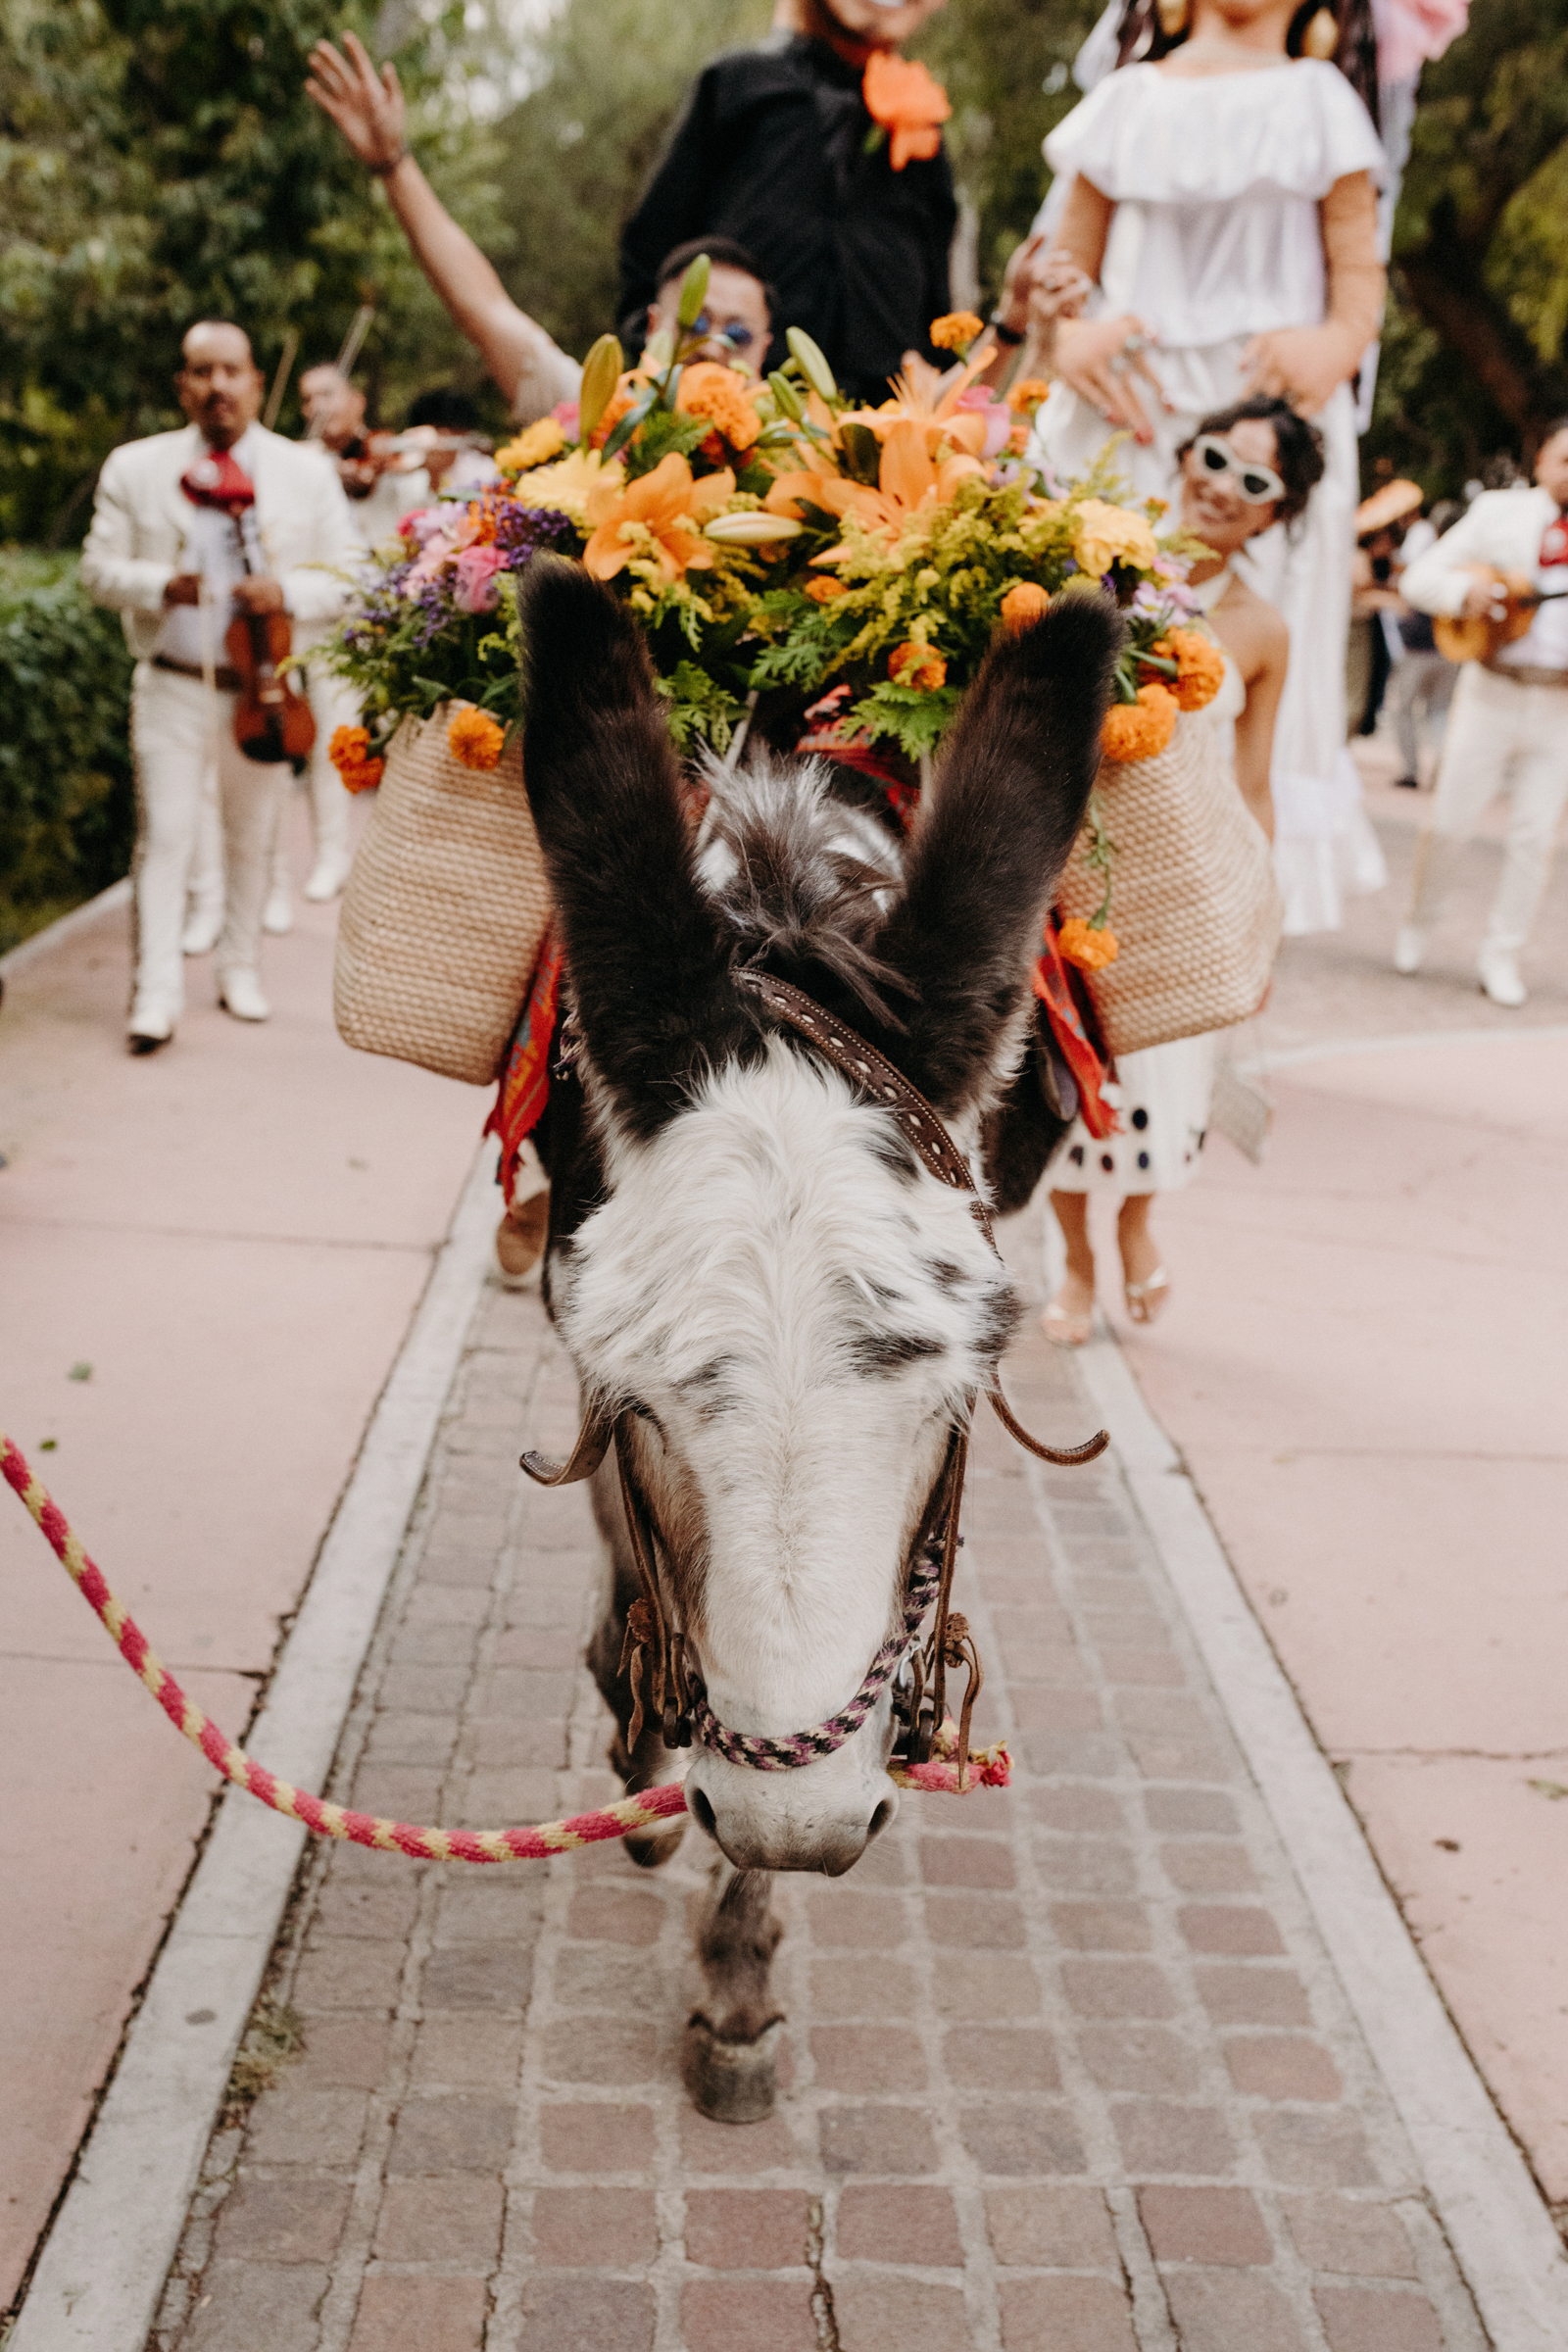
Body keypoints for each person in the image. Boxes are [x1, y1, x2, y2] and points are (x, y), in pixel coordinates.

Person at [1020, 0, 1390, 938]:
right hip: (1130, 409)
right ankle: (1055, 875)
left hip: (1267, 422)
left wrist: (1331, 347)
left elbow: (1359, 285)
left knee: (1243, 663)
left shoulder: (1320, 97)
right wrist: (1074, 334)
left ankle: (1222, 917)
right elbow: (1066, 271)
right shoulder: (1130, 96)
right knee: (1083, 624)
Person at [1043, 395, 1318, 1345]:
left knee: (1163, 1086)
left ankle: (1135, 1229)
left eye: (1254, 480)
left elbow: (1254, 783)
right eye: (1213, 457)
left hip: (1183, 890)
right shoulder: (1098, 560)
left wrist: (1258, 925)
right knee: (1070, 1082)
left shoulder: (1264, 631)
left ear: (1274, 512)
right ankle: (1076, 1265)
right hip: (1076, 866)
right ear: (1185, 455)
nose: (1221, 486)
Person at [81, 321, 357, 1052]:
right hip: (171, 684)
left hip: (263, 690)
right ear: (184, 386)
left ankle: (240, 969)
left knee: (253, 834)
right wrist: (160, 584)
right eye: (201, 373)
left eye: (231, 371)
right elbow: (96, 570)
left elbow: (351, 576)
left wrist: (287, 593)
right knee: (166, 835)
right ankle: (155, 992)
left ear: (256, 381)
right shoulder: (134, 467)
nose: (217, 387)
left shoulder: (305, 471)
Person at [306, 34, 773, 419]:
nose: (712, 349)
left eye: (738, 335)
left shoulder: (808, 466)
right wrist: (394, 165)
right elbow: (485, 310)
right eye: (694, 323)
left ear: (765, 350)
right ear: (653, 327)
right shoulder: (594, 416)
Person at [618, 0, 955, 397]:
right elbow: (648, 260)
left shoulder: (924, 133)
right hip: (741, 426)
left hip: (880, 432)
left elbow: (937, 315)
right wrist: (673, 387)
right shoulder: (737, 86)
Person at [1394, 418, 1568, 1007]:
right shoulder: (1498, 513)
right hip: (1490, 689)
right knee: (1449, 823)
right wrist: (1460, 595)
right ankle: (1419, 923)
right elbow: (1420, 577)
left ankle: (1503, 953)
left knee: (1534, 838)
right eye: (1566, 459)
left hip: (1560, 703)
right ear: (1541, 460)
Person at [1386, 498, 1461, 787]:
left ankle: (1411, 770)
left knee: (1405, 710)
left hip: (1419, 647)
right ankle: (1440, 772)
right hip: (1451, 650)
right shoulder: (1469, 562)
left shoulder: (1430, 558)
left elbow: (1406, 591)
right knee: (1440, 712)